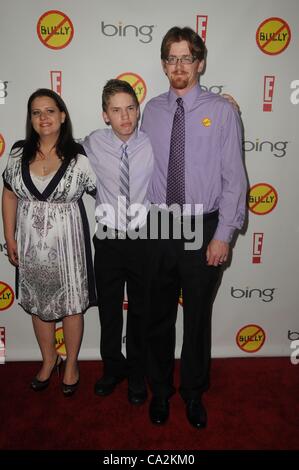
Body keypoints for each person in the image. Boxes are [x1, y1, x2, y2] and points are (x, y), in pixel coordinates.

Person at [141, 26, 247, 428]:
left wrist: (223, 235)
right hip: (157, 226)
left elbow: (234, 179)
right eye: (172, 58)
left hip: (203, 228)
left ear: (200, 63)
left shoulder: (222, 111)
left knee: (197, 318)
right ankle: (161, 392)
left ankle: (193, 393)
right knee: (158, 316)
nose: (179, 65)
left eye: (187, 58)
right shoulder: (150, 110)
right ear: (164, 64)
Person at [2, 89, 97, 396]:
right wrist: (8, 235)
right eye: (36, 112)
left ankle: (71, 364)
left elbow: (108, 192)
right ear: (30, 119)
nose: (43, 118)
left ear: (63, 116)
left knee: (71, 307)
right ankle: (48, 359)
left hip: (69, 248)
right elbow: (9, 194)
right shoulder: (17, 153)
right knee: (38, 306)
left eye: (50, 111)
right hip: (29, 245)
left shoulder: (81, 158)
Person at [82, 79, 154, 405]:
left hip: (143, 239)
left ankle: (137, 372)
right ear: (105, 115)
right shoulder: (91, 143)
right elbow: (52, 147)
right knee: (109, 310)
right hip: (108, 239)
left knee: (141, 310)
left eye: (130, 108)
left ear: (138, 110)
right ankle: (112, 368)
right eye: (116, 110)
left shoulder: (154, 142)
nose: (125, 117)